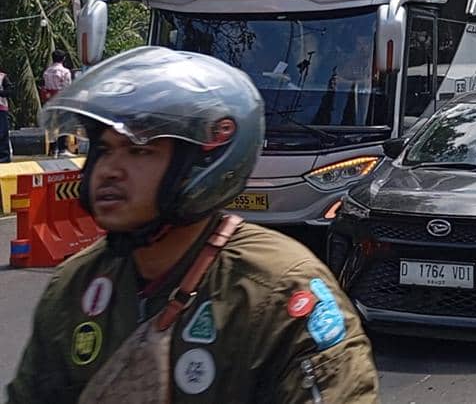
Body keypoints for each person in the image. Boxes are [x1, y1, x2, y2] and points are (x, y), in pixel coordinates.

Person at [6, 46, 379, 403]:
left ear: (203, 163)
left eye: (139, 150)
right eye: (103, 149)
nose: (109, 170)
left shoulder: (280, 292)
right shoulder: (76, 284)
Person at [42, 49, 73, 156]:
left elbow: (46, 86)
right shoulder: (65, 72)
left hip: (50, 99)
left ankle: (52, 149)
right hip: (62, 99)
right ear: (63, 59)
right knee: (63, 123)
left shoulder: (47, 72)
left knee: (52, 125)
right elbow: (68, 87)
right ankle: (62, 149)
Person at [0, 68, 12, 164]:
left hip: (1, 108)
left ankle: (4, 157)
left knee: (2, 133)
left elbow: (8, 92)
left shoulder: (3, 77)